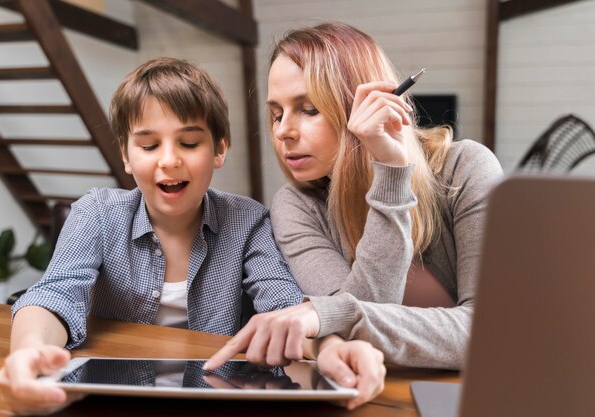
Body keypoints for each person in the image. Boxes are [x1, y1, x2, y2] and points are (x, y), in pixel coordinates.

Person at [0, 57, 311, 415]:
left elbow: (283, 304)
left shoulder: (248, 219)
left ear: (220, 149)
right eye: (148, 146)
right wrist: (29, 350)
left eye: (189, 143)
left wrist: (318, 340)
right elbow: (56, 293)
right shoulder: (96, 212)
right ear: (126, 156)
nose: (169, 160)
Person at [206, 22, 503, 377]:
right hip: (375, 393)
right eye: (276, 113)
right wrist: (391, 176)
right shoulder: (296, 204)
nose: (283, 130)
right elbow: (349, 334)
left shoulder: (465, 167)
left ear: (362, 106)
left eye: (309, 109)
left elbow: (491, 333)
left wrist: (391, 162)